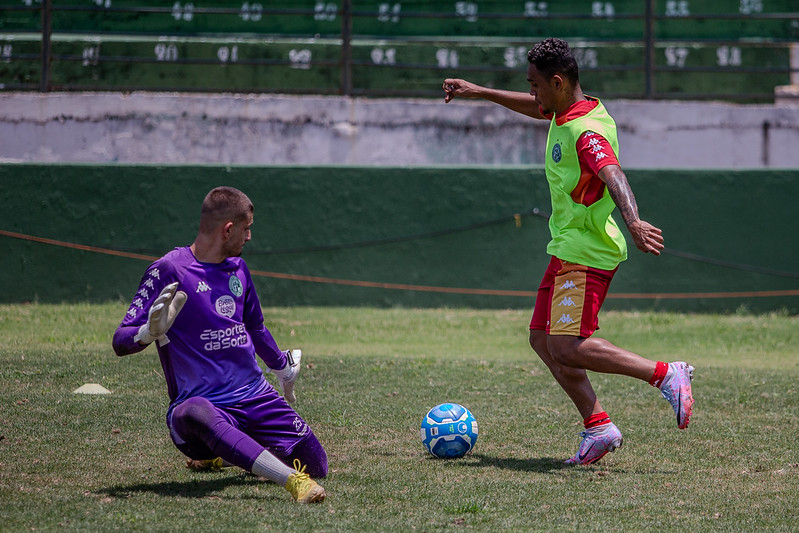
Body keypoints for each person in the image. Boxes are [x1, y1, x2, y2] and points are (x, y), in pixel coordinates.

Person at [443, 38, 694, 465]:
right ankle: (598, 426)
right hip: (566, 247)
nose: (533, 94)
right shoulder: (565, 108)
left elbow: (612, 172)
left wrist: (633, 219)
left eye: (536, 85)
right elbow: (533, 106)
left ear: (558, 82)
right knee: (541, 340)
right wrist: (480, 91)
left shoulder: (586, 130)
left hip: (588, 251)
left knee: (566, 345)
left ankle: (666, 374)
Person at [112, 186, 327, 501]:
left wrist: (282, 366)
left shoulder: (238, 269)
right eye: (247, 229)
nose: (249, 237)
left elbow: (255, 327)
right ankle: (292, 482)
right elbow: (120, 340)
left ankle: (224, 456)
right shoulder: (169, 269)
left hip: (256, 397)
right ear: (229, 229)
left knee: (317, 463)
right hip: (201, 410)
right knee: (197, 412)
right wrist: (147, 332)